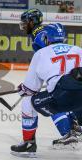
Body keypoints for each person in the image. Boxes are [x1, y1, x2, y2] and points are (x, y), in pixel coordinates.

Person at [11, 9, 81, 156]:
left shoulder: (39, 38)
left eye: (25, 23)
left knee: (43, 99)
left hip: (61, 90)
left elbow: (32, 86)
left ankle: (32, 142)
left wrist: (44, 81)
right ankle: (75, 126)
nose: (23, 26)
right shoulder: (77, 49)